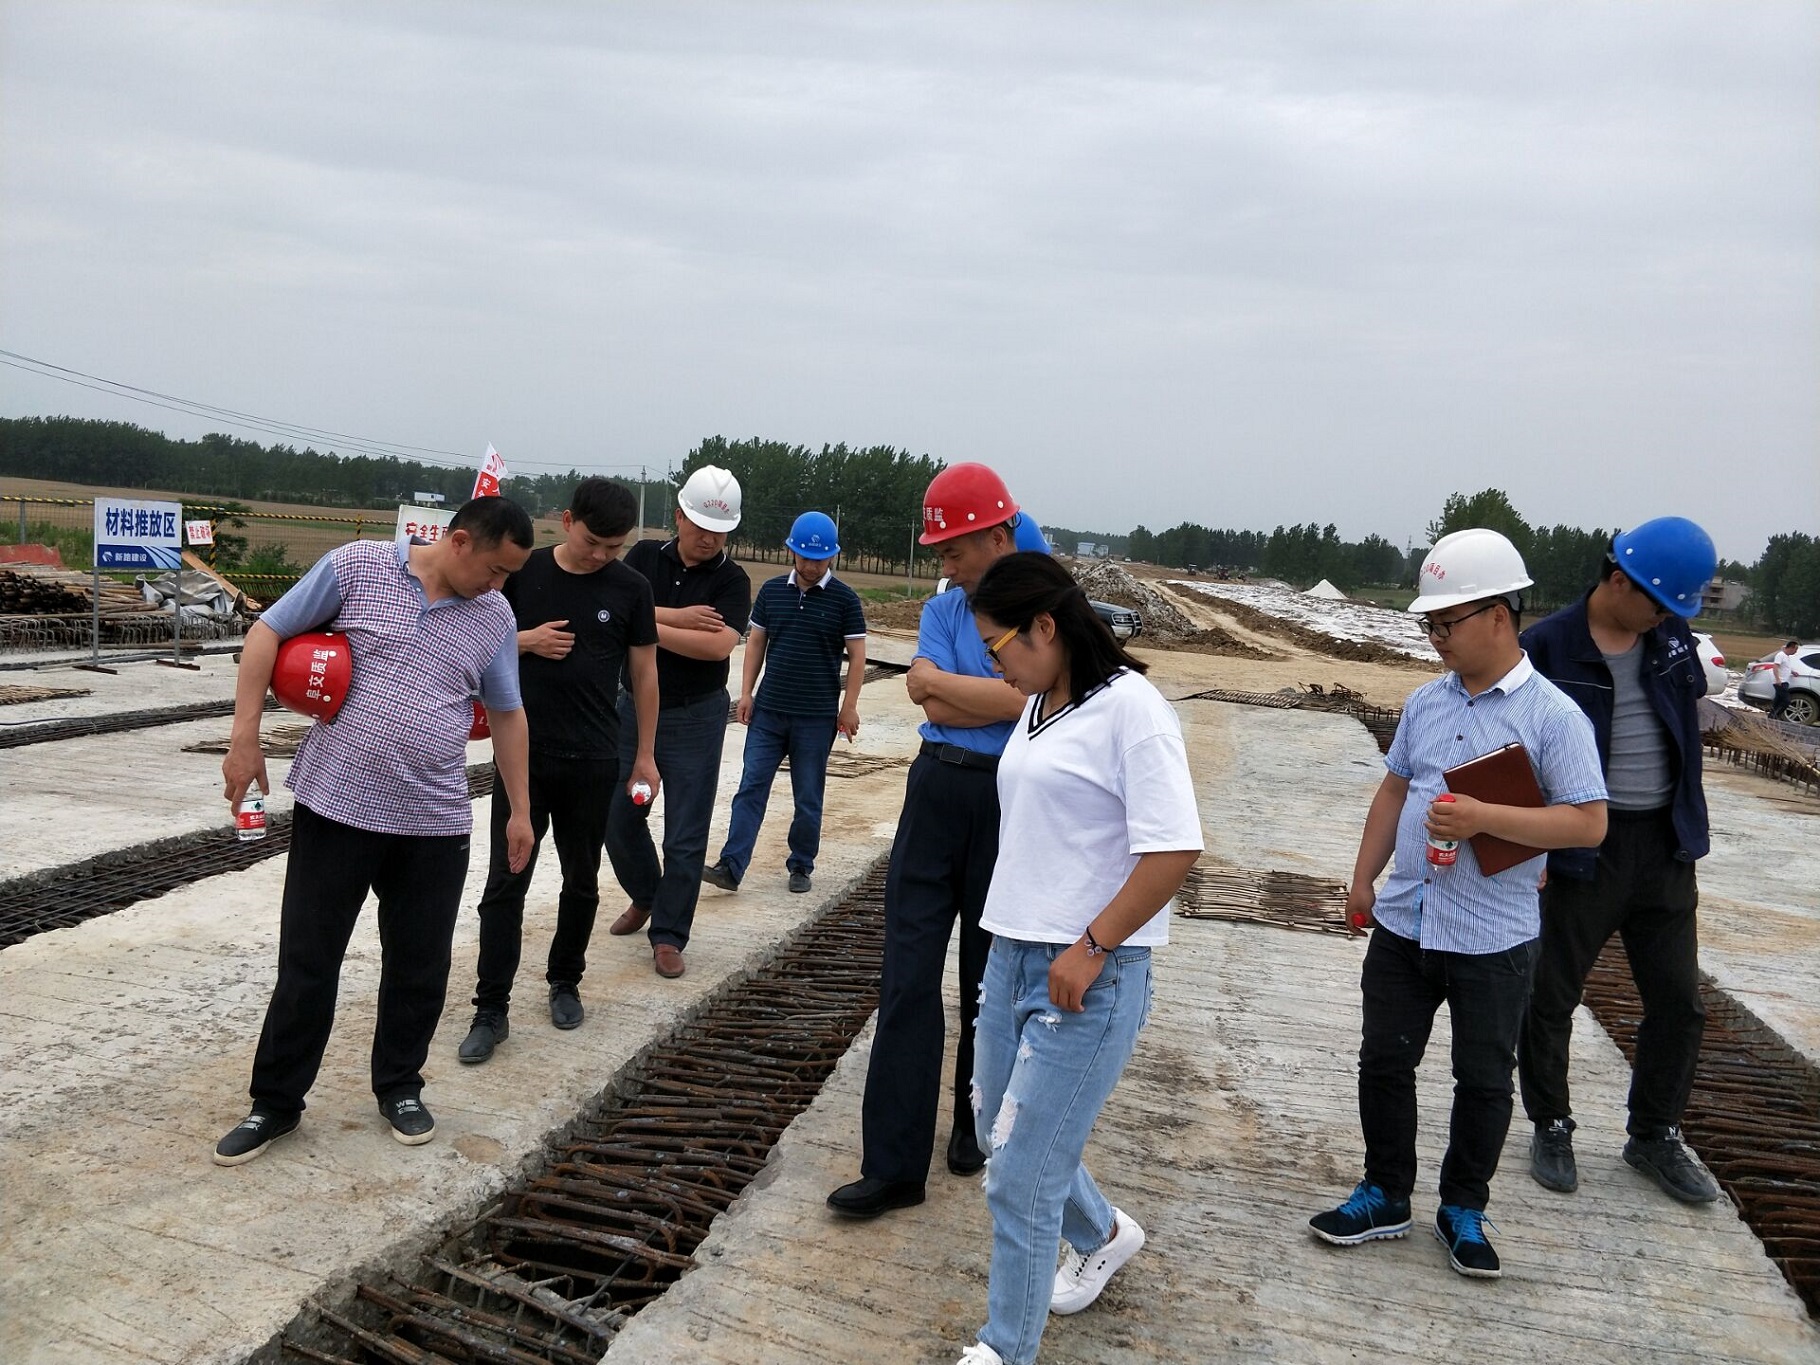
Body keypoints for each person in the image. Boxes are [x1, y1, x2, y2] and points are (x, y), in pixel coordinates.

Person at [1309, 529, 1607, 1278]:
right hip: (1405, 921)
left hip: (1493, 935)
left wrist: (1483, 818)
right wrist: (1363, 878)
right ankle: (1385, 1192)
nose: (1436, 637)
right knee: (1384, 1061)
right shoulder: (1425, 703)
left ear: (1499, 617)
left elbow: (1587, 822)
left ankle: (1463, 1207)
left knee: (1483, 1078)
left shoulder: (1553, 717)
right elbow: (1394, 790)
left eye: (1447, 623)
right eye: (1430, 626)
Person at [214, 496, 537, 1166]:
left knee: (420, 965)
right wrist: (245, 736)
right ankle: (275, 1101)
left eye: (509, 575)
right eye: (496, 569)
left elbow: (507, 713)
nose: (499, 585)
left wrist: (520, 809)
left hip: (433, 820)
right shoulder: (358, 567)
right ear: (459, 541)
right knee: (308, 962)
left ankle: (400, 1086)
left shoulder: (495, 615)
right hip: (337, 805)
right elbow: (266, 632)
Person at [952, 553, 1201, 1365]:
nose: (995, 665)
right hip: (1011, 954)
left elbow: (1173, 848)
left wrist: (1093, 945)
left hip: (1087, 976)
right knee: (996, 1128)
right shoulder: (1040, 701)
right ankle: (1102, 1231)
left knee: (1020, 1176)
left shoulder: (1133, 710)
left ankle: (1004, 1348)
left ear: (1046, 626)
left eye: (999, 647)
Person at [827, 463, 1027, 1218]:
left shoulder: (1046, 612)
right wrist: (992, 698)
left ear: (999, 537)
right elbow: (926, 694)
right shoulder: (945, 607)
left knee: (988, 975)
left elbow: (1029, 700)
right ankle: (893, 1165)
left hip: (1010, 803)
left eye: (955, 549)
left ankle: (975, 1121)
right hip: (935, 788)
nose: (945, 563)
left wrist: (963, 693)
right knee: (908, 974)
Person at [1517, 516, 1724, 1204]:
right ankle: (1551, 1122)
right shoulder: (1547, 647)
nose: (1666, 617)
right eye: (1658, 603)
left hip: (1665, 845)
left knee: (1679, 1003)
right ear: (1617, 581)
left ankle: (1654, 1134)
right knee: (1551, 995)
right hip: (1582, 846)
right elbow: (1515, 745)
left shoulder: (1670, 640)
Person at [457, 479, 661, 1064]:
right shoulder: (523, 572)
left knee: (582, 880)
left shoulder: (630, 588)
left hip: (595, 758)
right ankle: (490, 1007)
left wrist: (645, 754)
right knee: (506, 883)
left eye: (614, 547)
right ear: (568, 521)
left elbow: (644, 674)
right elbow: (475, 639)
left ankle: (565, 980)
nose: (601, 555)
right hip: (524, 758)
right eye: (593, 541)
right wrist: (525, 641)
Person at [603, 465, 751, 979]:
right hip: (630, 712)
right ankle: (647, 894)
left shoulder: (732, 580)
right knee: (618, 817)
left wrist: (648, 620)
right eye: (700, 526)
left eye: (719, 531)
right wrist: (681, 618)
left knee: (685, 832)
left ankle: (668, 934)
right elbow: (614, 606)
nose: (708, 538)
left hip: (695, 717)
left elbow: (717, 646)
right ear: (680, 517)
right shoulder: (644, 557)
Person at [701, 510, 866, 896]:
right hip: (770, 712)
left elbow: (858, 656)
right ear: (792, 551)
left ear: (832, 556)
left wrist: (849, 707)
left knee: (807, 795)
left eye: (820, 559)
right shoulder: (773, 592)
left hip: (816, 718)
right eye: (805, 557)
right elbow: (756, 642)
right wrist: (746, 692)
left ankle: (801, 864)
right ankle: (731, 865)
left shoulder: (845, 600)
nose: (811, 565)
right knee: (751, 786)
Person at [1769, 639, 1800, 722]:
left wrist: (1793, 672)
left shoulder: (1786, 656)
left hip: (1784, 681)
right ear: (1791, 648)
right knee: (1786, 701)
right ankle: (1775, 716)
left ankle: (1771, 717)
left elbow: (1785, 667)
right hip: (1780, 682)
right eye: (1795, 649)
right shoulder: (1780, 655)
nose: (1796, 652)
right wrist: (1777, 679)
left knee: (1778, 700)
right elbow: (1775, 667)